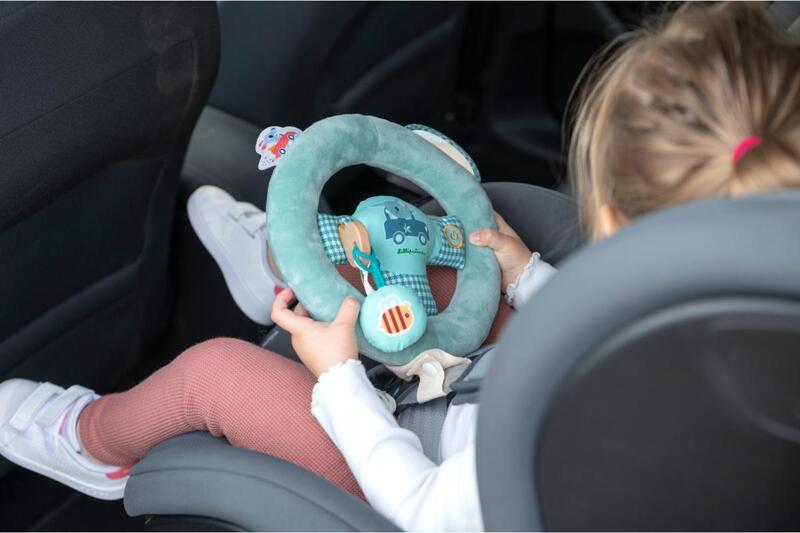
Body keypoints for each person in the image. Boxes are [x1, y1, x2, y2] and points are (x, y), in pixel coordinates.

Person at [2, 3, 799, 530]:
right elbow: (590, 322)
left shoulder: (608, 437)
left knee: (214, 373)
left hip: (413, 474)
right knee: (425, 242)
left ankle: (97, 441)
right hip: (500, 402)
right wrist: (527, 274)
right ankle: (290, 270)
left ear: (615, 221)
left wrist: (341, 380)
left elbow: (424, 508)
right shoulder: (751, 332)